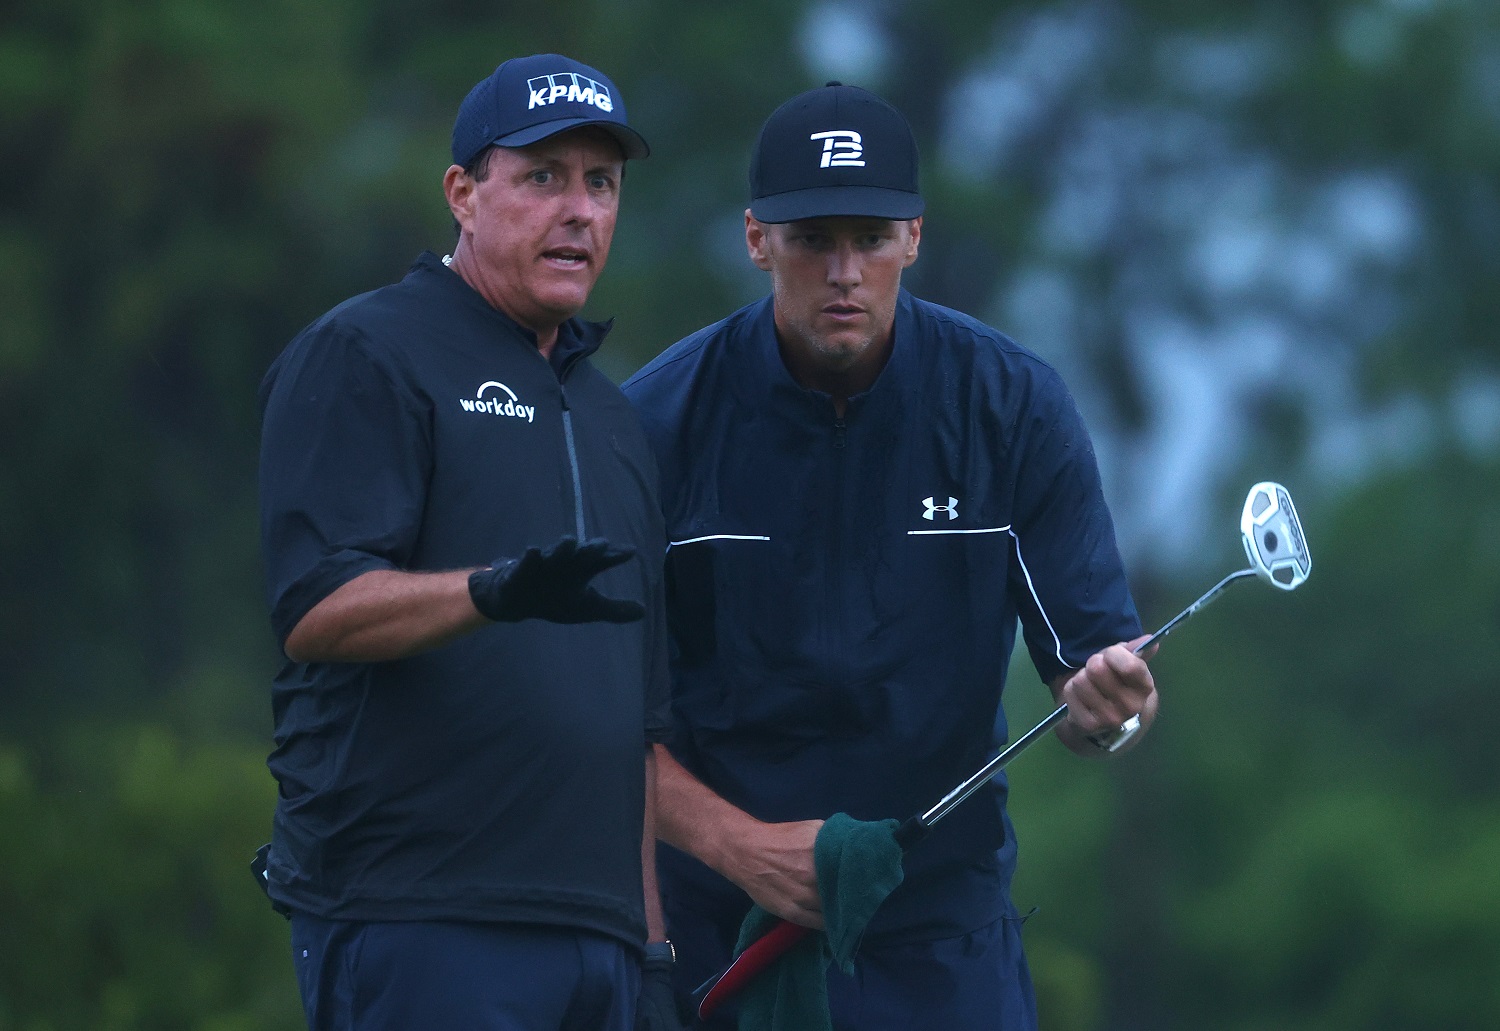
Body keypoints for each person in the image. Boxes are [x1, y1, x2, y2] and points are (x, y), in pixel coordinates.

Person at [622, 83, 1158, 1030]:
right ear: (756, 240)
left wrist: (1114, 710)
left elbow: (1095, 691)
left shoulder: (1012, 405)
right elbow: (593, 718)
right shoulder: (656, 423)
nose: (844, 271)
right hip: (721, 932)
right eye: (812, 239)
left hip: (942, 939)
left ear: (912, 237)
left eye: (869, 238)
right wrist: (743, 847)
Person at [257, 53, 683, 1031]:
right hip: (420, 914)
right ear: (463, 191)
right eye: (543, 177)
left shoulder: (615, 419)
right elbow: (315, 609)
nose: (579, 210)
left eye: (602, 182)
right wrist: (489, 592)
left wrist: (653, 954)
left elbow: (637, 734)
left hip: (601, 941)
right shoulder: (367, 351)